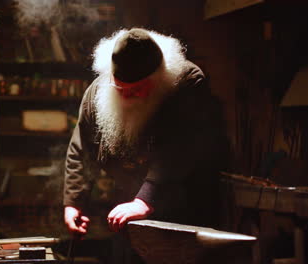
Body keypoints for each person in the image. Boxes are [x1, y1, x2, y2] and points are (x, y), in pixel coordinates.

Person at [63, 28, 229, 244]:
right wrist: (73, 202)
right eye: (124, 91)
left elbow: (180, 148)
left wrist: (146, 199)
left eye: (141, 89)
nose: (133, 97)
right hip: (127, 207)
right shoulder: (98, 92)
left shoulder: (188, 83)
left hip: (184, 205)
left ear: (160, 76)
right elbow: (81, 149)